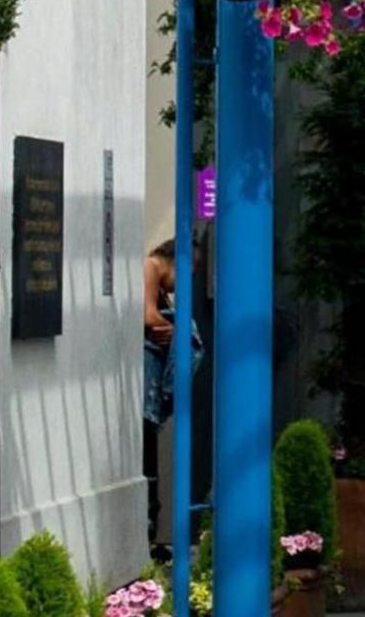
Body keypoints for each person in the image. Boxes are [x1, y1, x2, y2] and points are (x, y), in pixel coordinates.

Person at [142, 238, 201, 561]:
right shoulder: (150, 266)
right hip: (150, 377)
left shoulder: (164, 288)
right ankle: (172, 392)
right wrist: (173, 328)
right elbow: (149, 317)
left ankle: (149, 534)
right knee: (188, 332)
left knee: (149, 458)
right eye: (190, 272)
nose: (189, 282)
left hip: (153, 376)